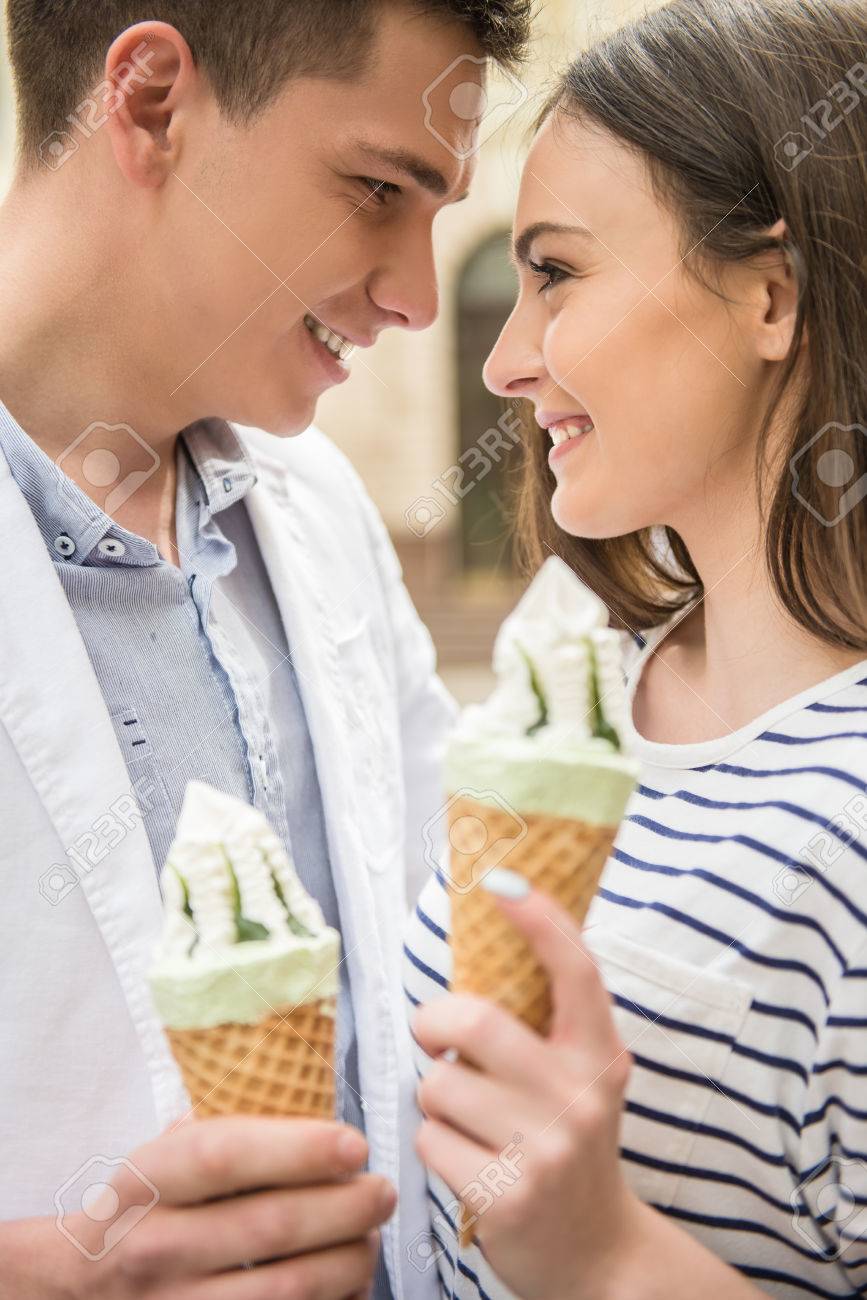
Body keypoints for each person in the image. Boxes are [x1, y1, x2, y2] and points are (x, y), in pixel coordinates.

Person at [0, 2, 533, 1297]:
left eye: (440, 213)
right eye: (373, 189)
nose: (416, 294)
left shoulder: (321, 511)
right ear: (148, 102)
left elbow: (434, 972)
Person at [404, 0, 867, 1296]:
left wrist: (604, 1258)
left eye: (554, 272)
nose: (503, 361)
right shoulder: (584, 693)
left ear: (773, 295)